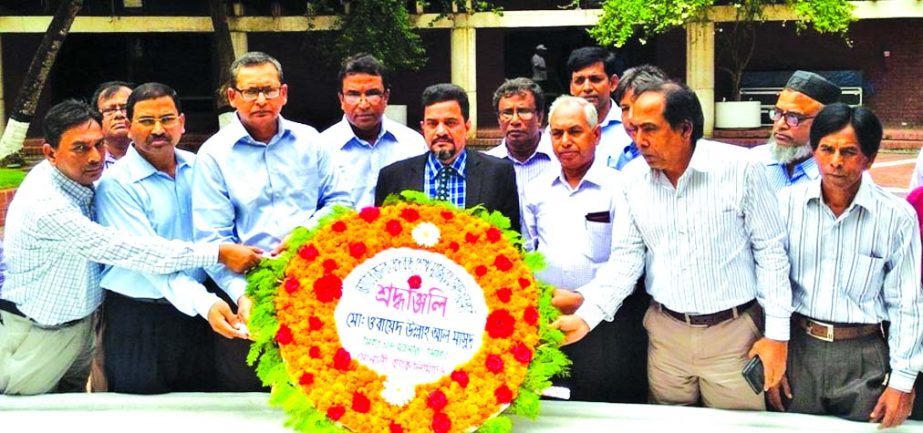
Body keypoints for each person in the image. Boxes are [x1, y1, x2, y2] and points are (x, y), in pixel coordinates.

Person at [552, 81, 792, 410]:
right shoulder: (632, 180)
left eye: (650, 129)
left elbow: (771, 254)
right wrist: (587, 318)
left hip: (733, 336)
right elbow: (626, 261)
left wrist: (777, 336)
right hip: (665, 337)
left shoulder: (740, 169)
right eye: (634, 129)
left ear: (685, 128)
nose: (639, 141)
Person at [0, 100, 261, 396]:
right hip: (37, 336)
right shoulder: (48, 206)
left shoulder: (78, 182)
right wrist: (217, 252)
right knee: (29, 420)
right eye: (80, 148)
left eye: (98, 144)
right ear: (49, 153)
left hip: (79, 328)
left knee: (74, 416)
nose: (95, 156)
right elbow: (129, 249)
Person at [192, 51, 352, 390]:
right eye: (250, 91)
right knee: (249, 397)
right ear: (232, 97)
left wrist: (305, 234)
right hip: (249, 293)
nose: (261, 99)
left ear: (284, 94)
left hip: (316, 284)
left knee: (319, 389)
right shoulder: (213, 155)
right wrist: (242, 295)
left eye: (269, 89)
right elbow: (212, 240)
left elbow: (341, 203)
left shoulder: (312, 142)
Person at [768, 103, 921, 428]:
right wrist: (775, 356)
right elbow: (771, 284)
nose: (836, 162)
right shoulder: (785, 206)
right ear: (814, 150)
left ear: (869, 158)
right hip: (799, 350)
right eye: (827, 149)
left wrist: (902, 382)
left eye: (849, 152)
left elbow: (907, 303)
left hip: (864, 356)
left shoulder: (896, 217)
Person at [95, 83, 249, 394]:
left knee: (204, 409)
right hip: (141, 319)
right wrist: (206, 302)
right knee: (143, 415)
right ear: (129, 125)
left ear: (181, 122)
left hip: (202, 317)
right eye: (146, 121)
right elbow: (150, 259)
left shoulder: (201, 168)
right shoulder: (116, 185)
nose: (158, 129)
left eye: (166, 119)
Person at [522, 95, 647, 403]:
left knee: (600, 403)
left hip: (605, 320)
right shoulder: (535, 189)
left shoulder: (620, 187)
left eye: (575, 132)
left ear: (596, 135)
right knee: (551, 401)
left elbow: (627, 257)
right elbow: (526, 251)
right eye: (557, 133)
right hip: (547, 317)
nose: (565, 141)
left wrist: (583, 298)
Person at [375, 83, 520, 232]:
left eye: (450, 123)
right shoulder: (393, 177)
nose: (441, 131)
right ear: (423, 127)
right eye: (432, 124)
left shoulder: (499, 173)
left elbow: (510, 241)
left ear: (467, 127)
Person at [319, 53, 426, 209]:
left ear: (386, 97)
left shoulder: (412, 144)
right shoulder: (322, 147)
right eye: (353, 94)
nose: (363, 104)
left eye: (372, 93)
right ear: (341, 99)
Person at [750, 71, 841, 190]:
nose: (781, 125)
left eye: (794, 117)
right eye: (777, 113)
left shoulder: (841, 180)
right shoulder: (752, 163)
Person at [484, 78, 558, 211]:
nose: (515, 120)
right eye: (507, 113)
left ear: (540, 117)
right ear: (498, 120)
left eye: (523, 111)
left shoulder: (560, 159)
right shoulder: (486, 165)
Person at [565, 46, 632, 170]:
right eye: (579, 81)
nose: (587, 88)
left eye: (595, 79)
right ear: (571, 87)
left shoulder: (630, 128)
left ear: (613, 83)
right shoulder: (556, 131)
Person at [611, 64, 668, 169]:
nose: (631, 118)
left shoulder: (674, 158)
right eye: (625, 109)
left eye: (639, 107)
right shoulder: (623, 157)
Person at [92, 81, 133, 168]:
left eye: (124, 108)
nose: (119, 115)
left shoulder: (157, 156)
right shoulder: (89, 160)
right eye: (109, 110)